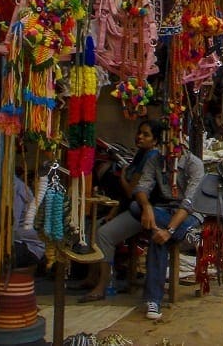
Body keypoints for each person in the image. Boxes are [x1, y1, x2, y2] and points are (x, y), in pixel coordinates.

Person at [79, 120, 162, 302]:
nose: (140, 137)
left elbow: (131, 191)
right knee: (94, 227)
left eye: (146, 135)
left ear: (155, 141)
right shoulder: (142, 154)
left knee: (104, 234)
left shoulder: (151, 158)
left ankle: (105, 284)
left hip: (142, 213)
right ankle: (93, 277)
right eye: (139, 133)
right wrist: (113, 213)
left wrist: (123, 175)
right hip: (131, 208)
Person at [132, 137, 205, 320]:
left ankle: (153, 299)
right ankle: (184, 235)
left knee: (158, 240)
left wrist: (168, 231)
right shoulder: (155, 160)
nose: (168, 151)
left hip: (189, 214)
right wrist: (147, 208)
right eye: (164, 146)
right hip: (163, 211)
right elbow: (141, 188)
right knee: (136, 207)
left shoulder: (194, 164)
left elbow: (188, 204)